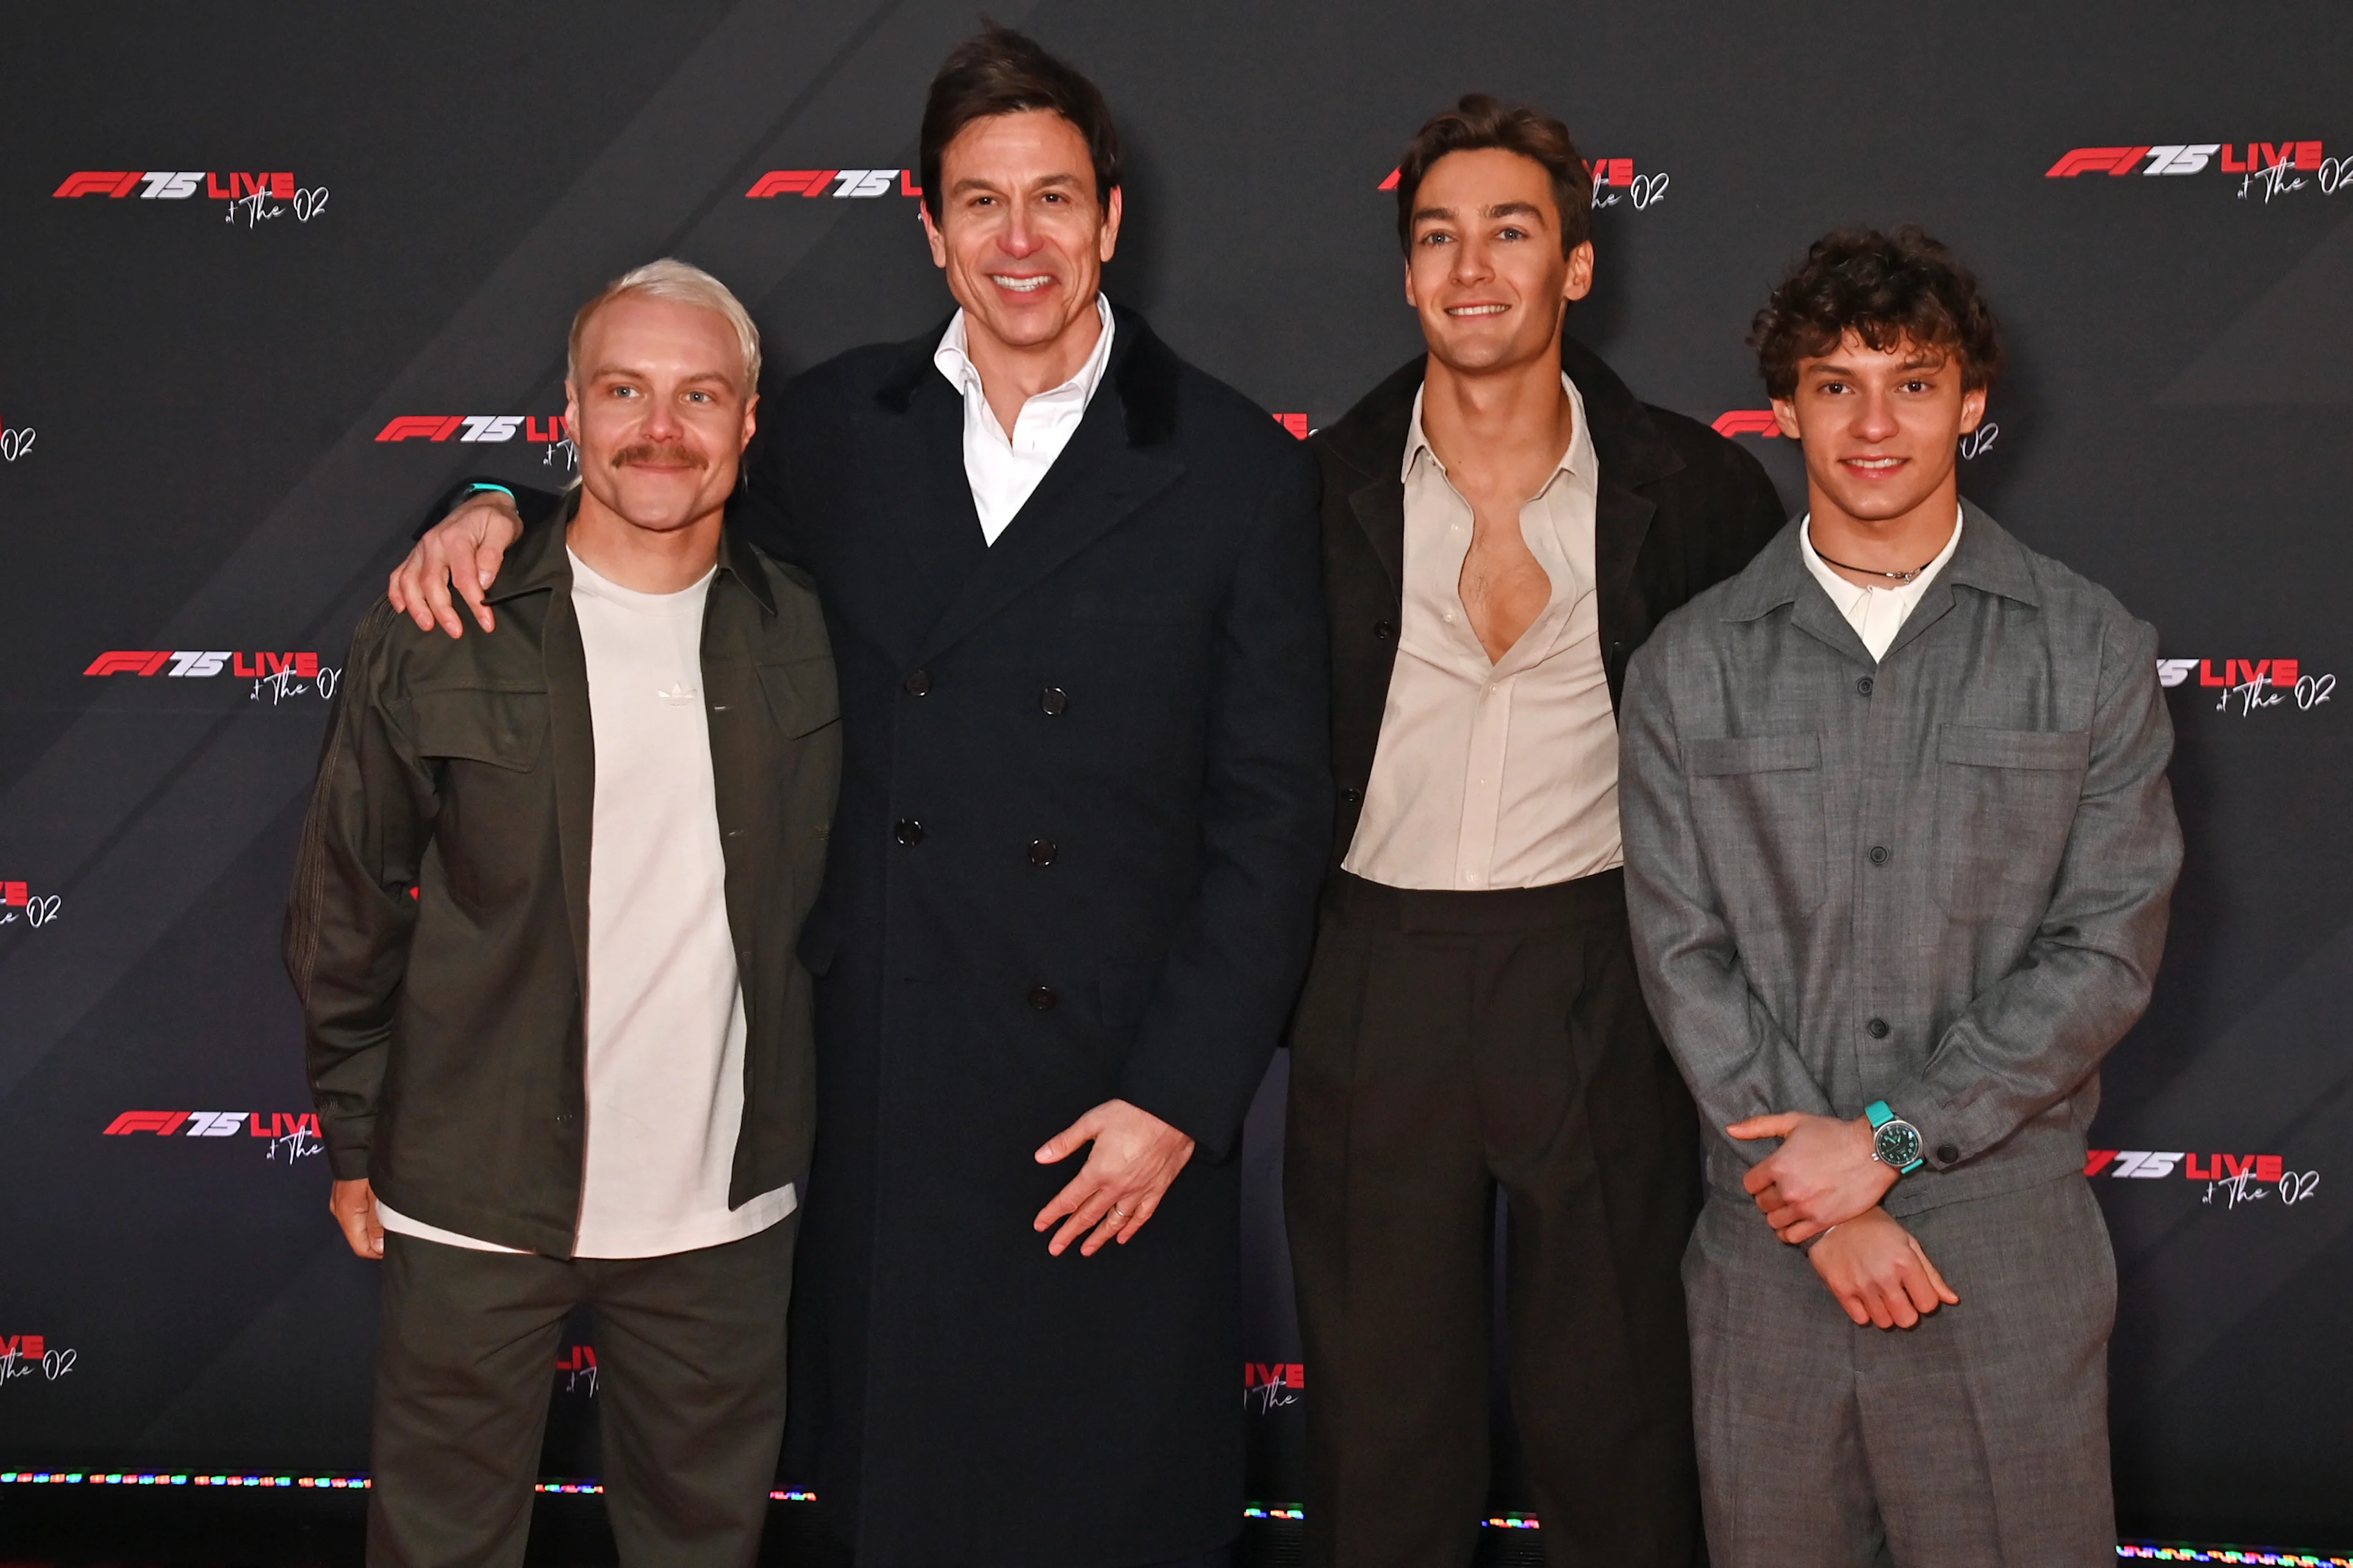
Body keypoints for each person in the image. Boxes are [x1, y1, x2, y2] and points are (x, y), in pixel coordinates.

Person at [384, 27, 1328, 1568]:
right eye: (980, 203)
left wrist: (1178, 1098)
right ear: (927, 223)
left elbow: (1274, 814)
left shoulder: (1231, 464)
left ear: (1109, 218)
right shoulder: (832, 430)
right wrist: (480, 500)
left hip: (1119, 1101)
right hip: (895, 1079)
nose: (1018, 241)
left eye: (1051, 201)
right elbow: (643, 491)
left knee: (1113, 1504)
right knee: (906, 1503)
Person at [1618, 227, 2181, 1565]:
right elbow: (1681, 955)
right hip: (1774, 1263)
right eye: (1835, 382)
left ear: (1972, 404)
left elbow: (2103, 951)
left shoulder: (2091, 649)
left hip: (2003, 1260)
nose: (1875, 423)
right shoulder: (1688, 668)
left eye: (1914, 382)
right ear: (1782, 407)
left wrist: (1889, 1142)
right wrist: (1822, 1196)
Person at [1286, 96, 1785, 1567]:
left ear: (1576, 263)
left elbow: (1766, 765)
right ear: (1405, 270)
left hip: (1601, 967)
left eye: (1511, 230)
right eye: (1437, 234)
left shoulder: (1692, 487)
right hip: (1374, 969)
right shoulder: (1313, 488)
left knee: (1619, 1417)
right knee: (1382, 1431)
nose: (1472, 265)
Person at [285, 259, 839, 1567]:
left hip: (722, 1213)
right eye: (625, 391)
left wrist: (482, 496)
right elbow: (345, 902)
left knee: (702, 1546)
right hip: (472, 1196)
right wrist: (356, 1136)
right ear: (570, 418)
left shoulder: (818, 626)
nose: (662, 427)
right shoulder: (443, 622)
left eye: (700, 394)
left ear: (749, 423)